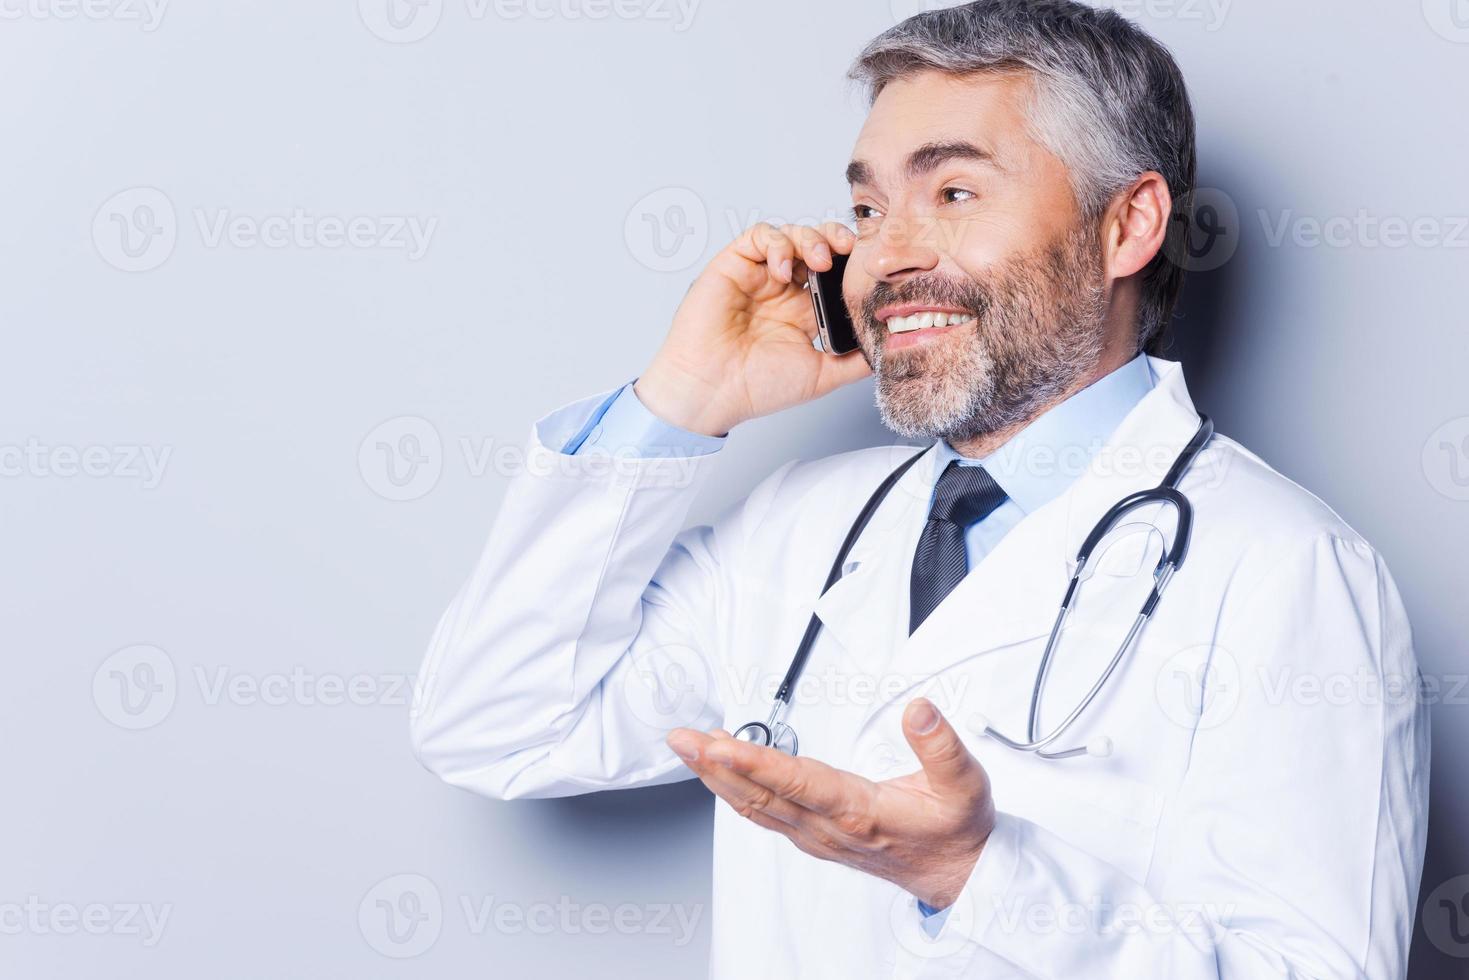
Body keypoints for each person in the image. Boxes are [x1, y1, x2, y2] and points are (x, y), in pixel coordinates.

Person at [409, 2, 1429, 976]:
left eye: (951, 194)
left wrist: (970, 875)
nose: (883, 255)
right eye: (865, 205)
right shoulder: (801, 521)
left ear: (1126, 226)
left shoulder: (1281, 568)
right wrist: (677, 402)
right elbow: (498, 720)